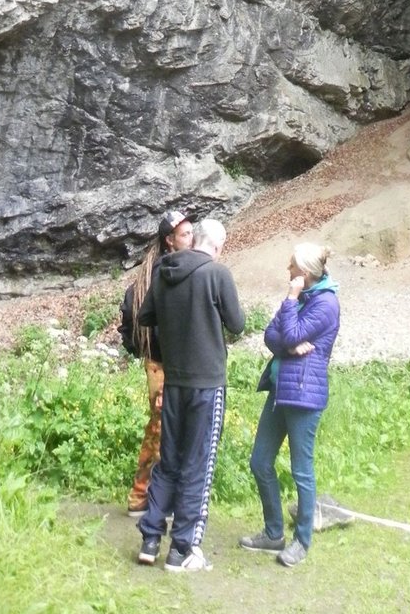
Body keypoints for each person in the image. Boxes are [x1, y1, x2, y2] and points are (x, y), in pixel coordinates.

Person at [135, 216, 246, 572]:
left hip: (175, 382)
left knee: (169, 461)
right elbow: (238, 324)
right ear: (216, 245)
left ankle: (151, 537)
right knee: (198, 463)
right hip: (206, 384)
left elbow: (145, 316)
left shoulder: (163, 274)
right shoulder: (217, 274)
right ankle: (183, 549)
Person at [239, 242, 340, 568]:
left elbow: (292, 332)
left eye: (292, 267)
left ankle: (302, 541)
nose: (288, 271)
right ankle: (273, 533)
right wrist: (288, 342)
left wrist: (290, 301)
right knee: (260, 462)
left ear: (306, 273)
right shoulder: (303, 300)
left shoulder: (325, 304)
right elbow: (272, 336)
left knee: (301, 471)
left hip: (304, 396)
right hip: (280, 391)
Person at [119, 209, 194, 517]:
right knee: (164, 430)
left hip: (159, 363)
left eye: (192, 232)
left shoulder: (153, 275)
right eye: (185, 234)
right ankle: (148, 499)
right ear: (169, 241)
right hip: (165, 365)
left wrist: (142, 353)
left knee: (162, 429)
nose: (191, 238)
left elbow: (127, 325)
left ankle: (147, 497)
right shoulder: (164, 277)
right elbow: (136, 321)